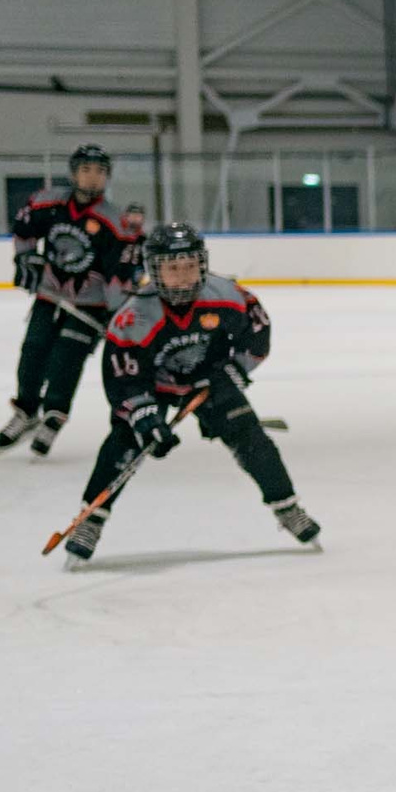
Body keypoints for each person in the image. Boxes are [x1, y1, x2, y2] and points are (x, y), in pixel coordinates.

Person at [60, 224, 318, 567]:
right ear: (154, 270)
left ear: (202, 263)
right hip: (153, 386)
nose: (182, 277)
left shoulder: (227, 296)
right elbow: (123, 375)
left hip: (209, 382)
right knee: (123, 444)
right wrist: (145, 415)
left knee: (252, 440)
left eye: (189, 265)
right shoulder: (134, 316)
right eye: (172, 267)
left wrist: (235, 371)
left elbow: (257, 334)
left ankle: (287, 507)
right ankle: (91, 520)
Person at [0, 144, 139, 457]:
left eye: (100, 172)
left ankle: (53, 417)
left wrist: (115, 312)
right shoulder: (49, 202)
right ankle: (26, 411)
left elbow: (120, 271)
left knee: (66, 361)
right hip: (50, 296)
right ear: (74, 172)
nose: (92, 178)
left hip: (90, 307)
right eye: (86, 170)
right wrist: (25, 259)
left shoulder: (113, 221)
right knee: (33, 351)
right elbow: (23, 228)